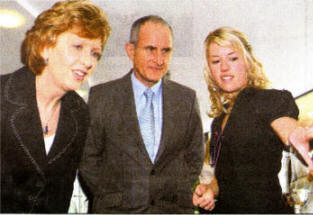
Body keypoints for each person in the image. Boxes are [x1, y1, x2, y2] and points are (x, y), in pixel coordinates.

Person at [79, 15, 204, 213]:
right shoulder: (102, 96)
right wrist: (115, 197)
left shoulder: (186, 99)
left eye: (166, 51)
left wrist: (171, 194)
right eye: (150, 49)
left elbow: (195, 157)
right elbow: (88, 159)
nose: (159, 59)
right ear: (131, 50)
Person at [0, 0, 111, 213]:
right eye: (77, 47)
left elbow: (61, 194)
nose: (88, 62)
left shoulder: (79, 113)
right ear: (45, 47)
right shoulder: (2, 96)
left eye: (94, 53)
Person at [192, 27, 313, 213]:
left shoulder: (266, 100)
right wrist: (210, 190)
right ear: (210, 71)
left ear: (248, 62)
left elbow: (286, 126)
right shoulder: (217, 123)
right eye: (216, 61)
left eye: (233, 58)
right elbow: (224, 177)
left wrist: (297, 134)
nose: (224, 67)